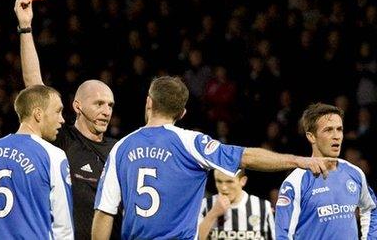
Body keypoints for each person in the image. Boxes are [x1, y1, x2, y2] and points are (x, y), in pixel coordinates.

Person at [92, 76, 336, 240]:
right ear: (182, 112)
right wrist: (298, 161)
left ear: (149, 102)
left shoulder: (121, 148)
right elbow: (247, 157)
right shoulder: (191, 143)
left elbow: (104, 213)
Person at [13, 0, 121, 238]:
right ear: (77, 106)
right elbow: (34, 88)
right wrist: (26, 28)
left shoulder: (118, 151)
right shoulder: (63, 140)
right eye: (99, 103)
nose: (107, 111)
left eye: (111, 105)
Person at [0, 85, 74, 239]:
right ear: (38, 114)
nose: (62, 119)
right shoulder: (53, 156)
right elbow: (63, 228)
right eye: (58, 111)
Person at [275, 103, 377, 239]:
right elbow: (283, 234)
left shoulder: (355, 173)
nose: (337, 136)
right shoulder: (296, 182)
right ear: (311, 137)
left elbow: (370, 208)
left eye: (339, 129)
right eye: (328, 130)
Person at [198, 169, 275, 240]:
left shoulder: (263, 207)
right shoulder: (205, 205)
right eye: (219, 181)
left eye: (229, 182)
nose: (223, 187)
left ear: (243, 181)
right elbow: (194, 237)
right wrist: (213, 214)